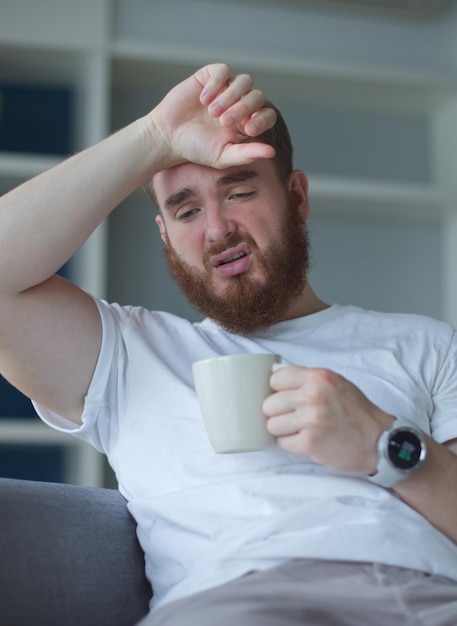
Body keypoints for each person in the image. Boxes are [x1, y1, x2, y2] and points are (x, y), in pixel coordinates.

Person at [1, 62, 457, 626]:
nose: (217, 231)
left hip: (429, 600)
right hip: (238, 604)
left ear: (296, 198)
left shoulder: (427, 345)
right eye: (186, 210)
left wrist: (384, 445)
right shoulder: (128, 357)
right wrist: (155, 136)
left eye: (238, 191)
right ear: (165, 236)